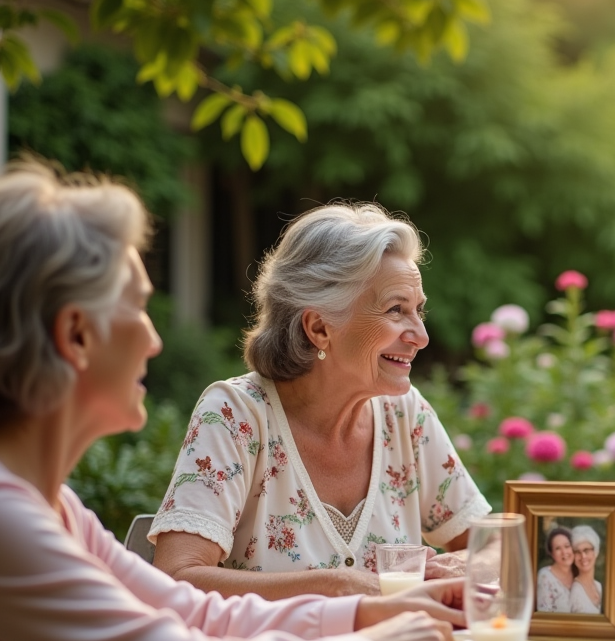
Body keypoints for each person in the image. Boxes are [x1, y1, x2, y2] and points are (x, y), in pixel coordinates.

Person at [0, 163, 463, 641]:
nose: (155, 339)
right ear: (76, 334)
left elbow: (193, 613)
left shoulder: (53, 510)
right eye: (137, 307)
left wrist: (359, 612)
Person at [150, 201, 491, 598]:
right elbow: (177, 580)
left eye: (418, 310)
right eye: (396, 310)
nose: (421, 335)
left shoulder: (405, 415)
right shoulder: (235, 414)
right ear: (319, 328)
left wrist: (464, 563)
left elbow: (494, 544)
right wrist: (340, 585)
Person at [536, 526, 575, 613]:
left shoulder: (579, 573)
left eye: (567, 546)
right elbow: (544, 615)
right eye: (558, 548)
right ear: (552, 554)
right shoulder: (545, 577)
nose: (564, 552)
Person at [569, 524, 603, 614]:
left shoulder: (599, 586)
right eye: (577, 552)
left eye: (586, 550)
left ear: (595, 552)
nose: (583, 556)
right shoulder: (574, 592)